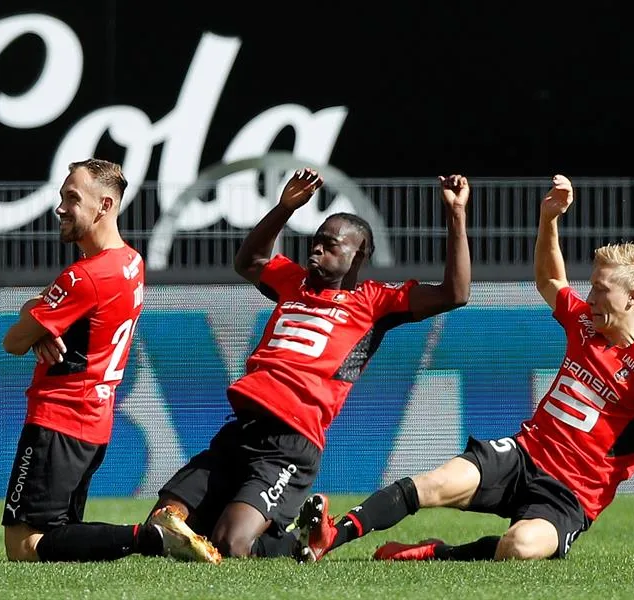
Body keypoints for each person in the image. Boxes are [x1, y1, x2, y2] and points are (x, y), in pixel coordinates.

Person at [295, 174, 634, 563]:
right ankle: (332, 535)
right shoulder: (586, 322)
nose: (590, 296)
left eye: (601, 290)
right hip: (523, 455)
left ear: (633, 298)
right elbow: (551, 280)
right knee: (434, 483)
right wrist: (549, 219)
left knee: (521, 546)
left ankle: (434, 553)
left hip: (571, 495)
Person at [149, 168, 472, 560]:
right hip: (242, 432)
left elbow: (455, 293)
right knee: (158, 528)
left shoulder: (375, 303)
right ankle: (256, 526)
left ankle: (306, 541)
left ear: (358, 256)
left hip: (290, 444)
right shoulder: (293, 281)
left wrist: (456, 216)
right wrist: (284, 208)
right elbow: (248, 261)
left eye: (330, 245)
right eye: (315, 242)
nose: (316, 251)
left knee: (230, 546)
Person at [0, 158, 219, 563]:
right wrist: (42, 325)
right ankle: (151, 537)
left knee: (25, 546)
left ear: (104, 205)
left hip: (57, 420)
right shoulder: (132, 264)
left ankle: (150, 538)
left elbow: (13, 341)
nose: (60, 207)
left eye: (72, 198)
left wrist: (35, 328)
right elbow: (46, 320)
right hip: (94, 424)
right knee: (58, 539)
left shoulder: (81, 278)